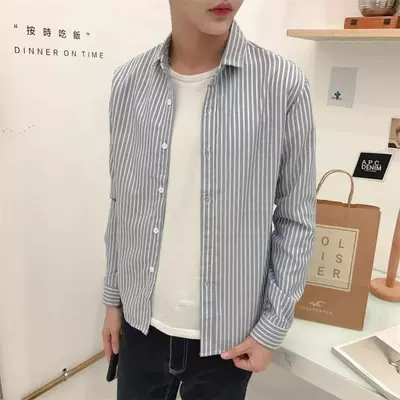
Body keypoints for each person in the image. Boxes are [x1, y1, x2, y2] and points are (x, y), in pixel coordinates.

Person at [102, 0, 317, 399]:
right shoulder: (128, 82)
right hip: (140, 325)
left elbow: (296, 217)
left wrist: (272, 328)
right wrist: (113, 300)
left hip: (229, 340)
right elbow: (122, 204)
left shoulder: (282, 84)